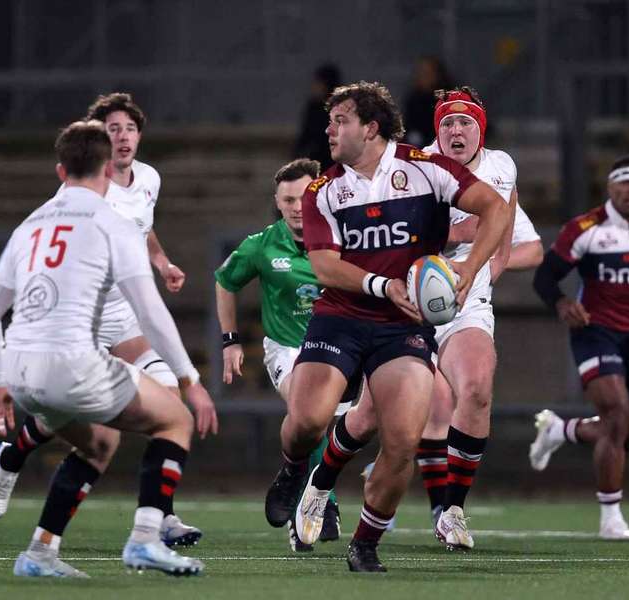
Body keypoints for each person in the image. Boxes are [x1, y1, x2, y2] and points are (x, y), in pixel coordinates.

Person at [264, 81, 511, 572]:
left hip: (403, 326)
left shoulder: (428, 169)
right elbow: (325, 267)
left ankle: (365, 544)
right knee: (308, 421)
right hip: (341, 317)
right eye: (330, 121)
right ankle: (294, 470)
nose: (328, 130)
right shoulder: (322, 190)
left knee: (401, 442)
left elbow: (496, 209)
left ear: (370, 128)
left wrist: (469, 268)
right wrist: (383, 285)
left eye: (340, 121)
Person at [0, 93, 216, 548]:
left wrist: (161, 261)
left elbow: (143, 227)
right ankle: (16, 459)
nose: (123, 137)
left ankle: (158, 516)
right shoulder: (85, 208)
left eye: (130, 128)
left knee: (161, 401)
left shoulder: (146, 180)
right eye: (113, 130)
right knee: (125, 422)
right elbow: (148, 305)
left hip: (113, 320)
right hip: (81, 321)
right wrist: (194, 378)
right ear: (101, 152)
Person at [349, 86, 543, 550]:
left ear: (481, 129)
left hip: (465, 302)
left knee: (475, 388)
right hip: (408, 302)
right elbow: (390, 232)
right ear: (438, 131)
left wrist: (489, 265)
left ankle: (451, 510)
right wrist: (459, 232)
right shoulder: (414, 166)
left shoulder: (502, 166)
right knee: (375, 418)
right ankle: (321, 483)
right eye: (448, 123)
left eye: (466, 122)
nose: (457, 130)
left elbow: (510, 227)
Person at [530, 156, 629, 539]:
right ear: (610, 187)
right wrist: (562, 304)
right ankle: (611, 519)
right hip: (595, 332)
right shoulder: (585, 229)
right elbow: (544, 277)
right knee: (616, 414)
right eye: (625, 182)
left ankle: (559, 429)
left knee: (628, 434)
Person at [214, 158, 361, 551]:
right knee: (308, 412)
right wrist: (230, 341)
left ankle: (294, 474)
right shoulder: (262, 245)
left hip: (339, 347)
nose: (297, 207)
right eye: (288, 200)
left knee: (328, 427)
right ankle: (323, 503)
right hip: (287, 349)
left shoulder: (346, 237)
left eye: (304, 197)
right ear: (277, 203)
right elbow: (225, 281)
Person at [294, 64, 342, 170]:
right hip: (318, 162)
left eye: (318, 83)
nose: (315, 86)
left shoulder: (341, 108)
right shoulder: (314, 107)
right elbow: (306, 134)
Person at [402, 56, 452, 148]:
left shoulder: (448, 99)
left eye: (428, 73)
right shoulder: (413, 100)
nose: (424, 77)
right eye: (421, 73)